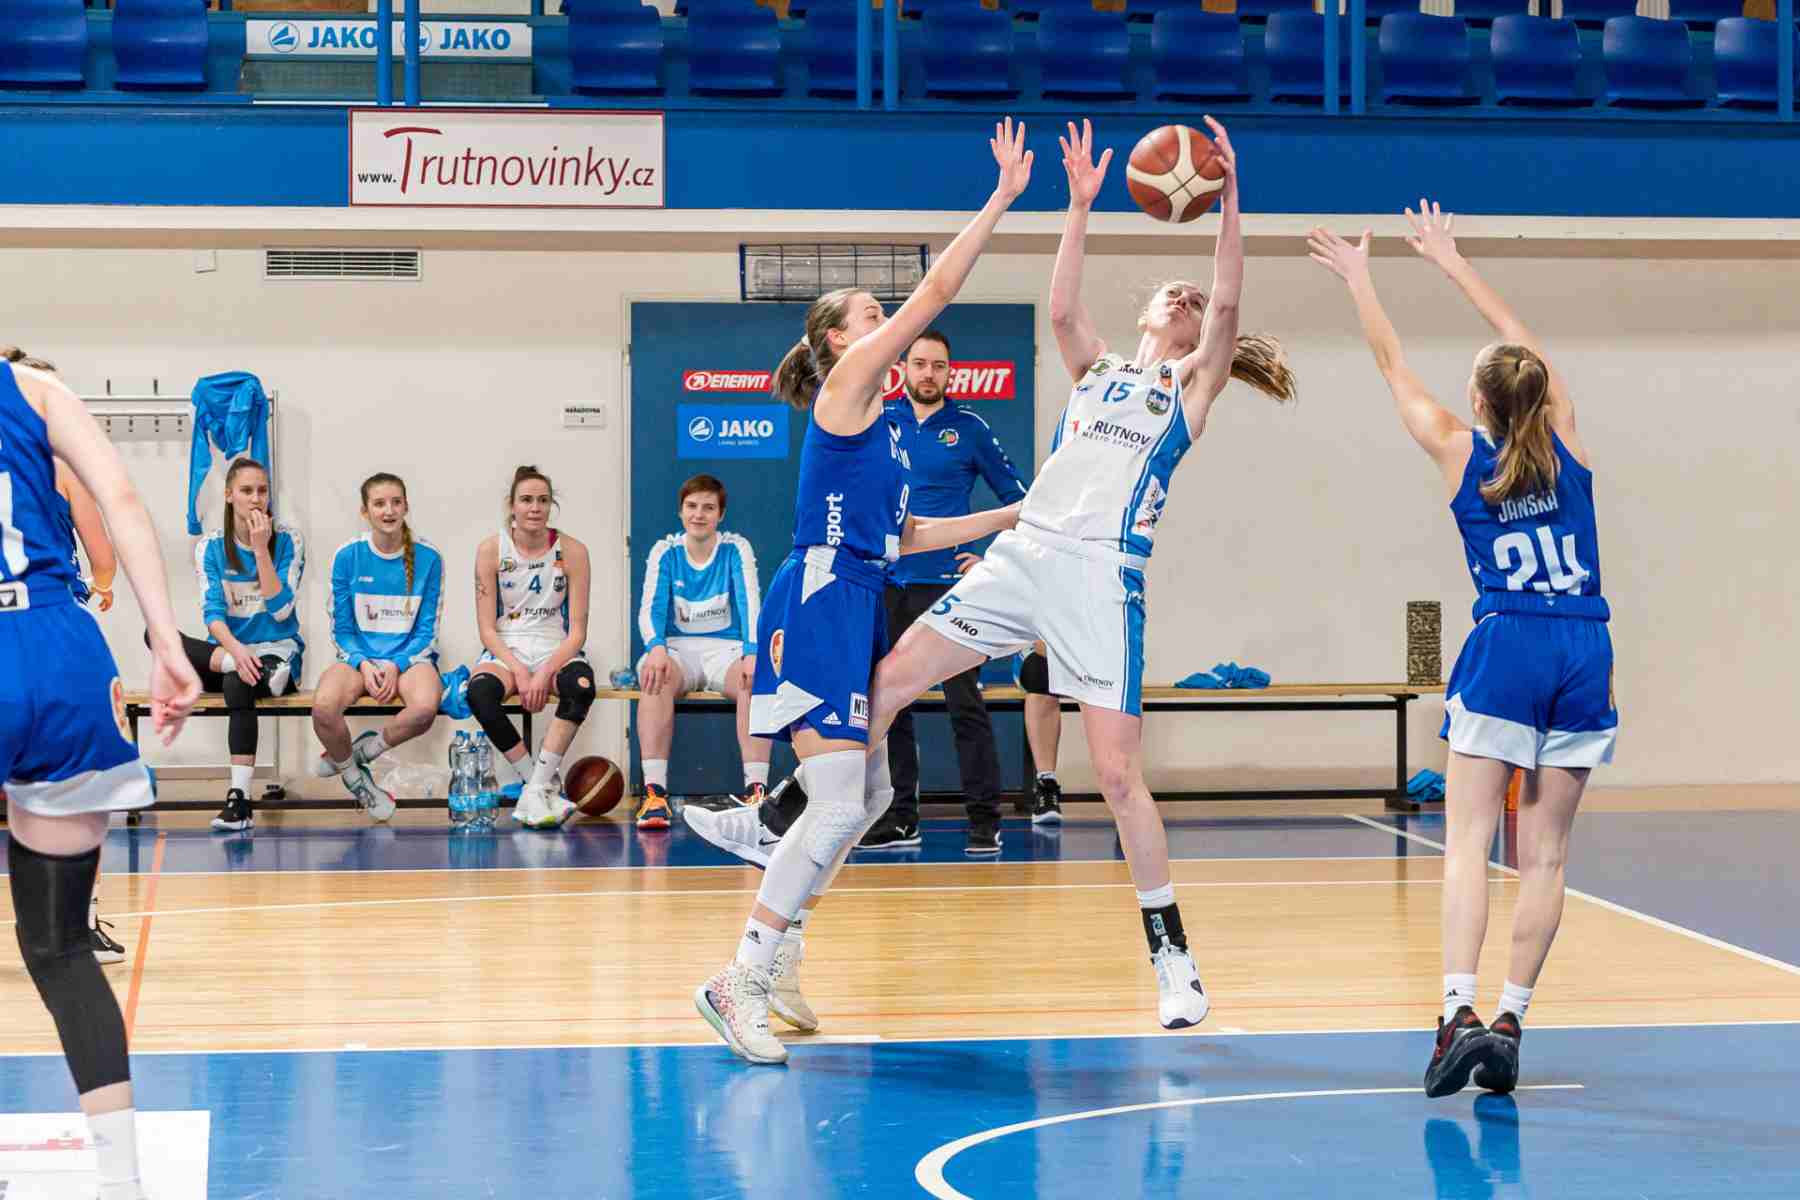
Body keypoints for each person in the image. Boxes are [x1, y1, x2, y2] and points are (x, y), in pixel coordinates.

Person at [861, 116, 1296, 1032]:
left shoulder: (1190, 390)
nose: (1184, 298)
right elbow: (1060, 311)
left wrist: (1230, 199)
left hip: (1102, 577)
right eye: (1171, 294)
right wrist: (1080, 203)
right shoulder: (1096, 372)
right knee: (888, 681)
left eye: (1189, 299)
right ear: (1146, 317)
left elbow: (1226, 305)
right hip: (1028, 553)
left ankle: (1172, 956)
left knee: (1118, 775)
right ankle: (810, 817)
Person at [692, 118, 1034, 1066]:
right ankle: (738, 977)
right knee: (843, 801)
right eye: (874, 313)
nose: (890, 320)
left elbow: (908, 536)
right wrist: (1000, 201)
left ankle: (780, 941)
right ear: (843, 340)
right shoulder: (849, 387)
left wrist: (1017, 514)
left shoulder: (884, 432)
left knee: (870, 792)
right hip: (818, 598)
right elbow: (936, 294)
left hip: (858, 593)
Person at [1308, 201, 1615, 1098]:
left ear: (1479, 402)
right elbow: (1528, 349)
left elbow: (1390, 361)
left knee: (1468, 843)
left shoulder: (1456, 448)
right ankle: (1512, 1020)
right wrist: (1452, 261)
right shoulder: (1567, 439)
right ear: (1539, 394)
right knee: (1546, 855)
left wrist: (1362, 278)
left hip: (1508, 640)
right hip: (1584, 643)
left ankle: (1457, 1015)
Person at [1, 348, 201, 1200]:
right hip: (58, 655)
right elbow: (119, 501)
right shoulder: (36, 388)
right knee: (59, 948)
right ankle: (121, 1181)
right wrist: (166, 642)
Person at [862, 329, 1028, 855]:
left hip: (951, 591)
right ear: (904, 369)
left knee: (965, 705)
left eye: (938, 365)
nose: (928, 374)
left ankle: (985, 820)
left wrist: (991, 560)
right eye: (920, 364)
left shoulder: (970, 428)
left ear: (949, 372)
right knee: (889, 704)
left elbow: (1022, 503)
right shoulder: (880, 421)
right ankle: (900, 818)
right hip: (889, 583)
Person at [167, 457, 306, 834]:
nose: (256, 498)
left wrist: (261, 550)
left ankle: (239, 799)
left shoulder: (288, 540)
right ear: (229, 496)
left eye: (262, 491)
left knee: (238, 681)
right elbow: (212, 615)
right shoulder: (210, 547)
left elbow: (281, 610)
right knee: (158, 636)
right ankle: (233, 665)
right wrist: (236, 653)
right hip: (228, 653)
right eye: (247, 491)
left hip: (276, 652)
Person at [311, 472, 445, 822]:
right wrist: (363, 663)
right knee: (323, 708)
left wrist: (396, 664)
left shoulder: (429, 557)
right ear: (365, 511)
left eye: (396, 502)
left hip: (410, 660)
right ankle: (356, 779)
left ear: (406, 507)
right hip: (359, 660)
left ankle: (363, 752)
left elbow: (427, 631)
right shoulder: (347, 555)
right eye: (379, 503)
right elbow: (342, 630)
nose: (389, 510)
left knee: (425, 709)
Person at [634, 474, 767, 829]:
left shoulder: (736, 548)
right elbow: (650, 609)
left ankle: (757, 793)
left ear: (720, 514)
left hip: (726, 651)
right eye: (691, 506)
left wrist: (753, 652)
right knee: (654, 675)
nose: (699, 514)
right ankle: (654, 794)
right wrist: (656, 648)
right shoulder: (665, 551)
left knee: (756, 680)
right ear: (680, 512)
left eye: (708, 507)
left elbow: (751, 602)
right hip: (678, 650)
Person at [467, 466, 593, 830]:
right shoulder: (491, 549)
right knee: (479, 693)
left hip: (556, 645)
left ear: (551, 505)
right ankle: (536, 784)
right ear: (512, 505)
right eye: (526, 500)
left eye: (542, 500)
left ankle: (536, 787)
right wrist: (521, 671)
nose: (535, 508)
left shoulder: (573, 551)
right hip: (508, 647)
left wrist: (545, 672)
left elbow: (578, 632)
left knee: (581, 687)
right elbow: (487, 629)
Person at [1014, 642, 1065, 824]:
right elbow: (1042, 647)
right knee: (1041, 670)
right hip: (1041, 656)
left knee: (1114, 681)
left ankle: (1124, 792)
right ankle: (1046, 785)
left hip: (1090, 659)